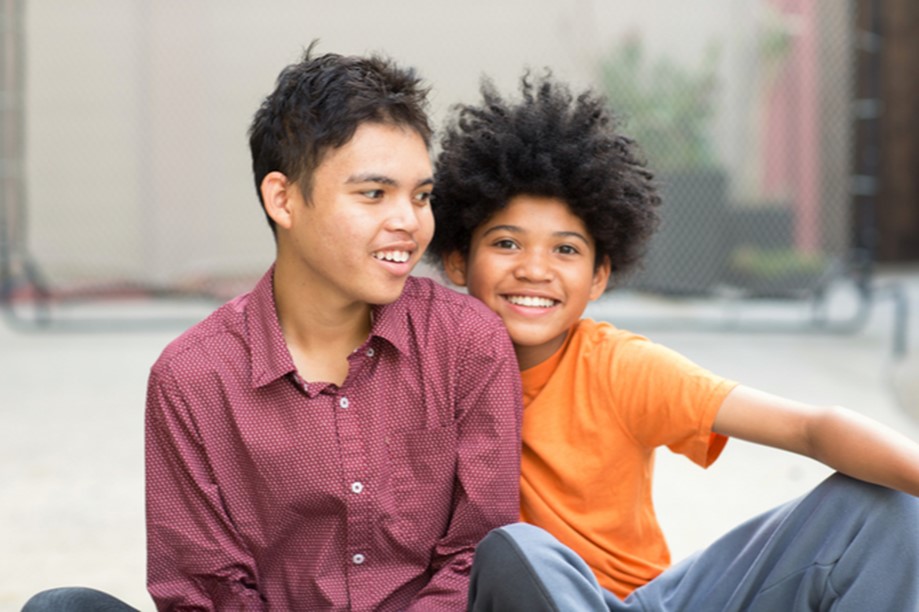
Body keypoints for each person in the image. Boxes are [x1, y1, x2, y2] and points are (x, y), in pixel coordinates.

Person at [23, 46, 522, 612]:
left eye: (421, 196)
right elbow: (204, 587)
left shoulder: (466, 343)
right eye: (374, 193)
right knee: (61, 608)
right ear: (283, 199)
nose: (409, 222)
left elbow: (477, 553)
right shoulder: (193, 378)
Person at [427, 72, 919, 611]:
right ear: (457, 259)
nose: (534, 269)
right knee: (516, 550)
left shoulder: (620, 367)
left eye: (565, 250)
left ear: (599, 276)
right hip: (527, 595)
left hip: (650, 603)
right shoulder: (420, 367)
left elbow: (810, 428)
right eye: (505, 243)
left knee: (887, 504)